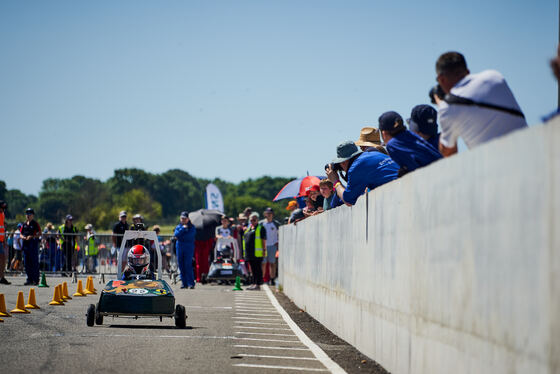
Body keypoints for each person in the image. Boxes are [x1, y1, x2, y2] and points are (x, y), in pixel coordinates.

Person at [433, 51, 528, 156]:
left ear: (441, 79)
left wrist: (442, 106)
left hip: (497, 163)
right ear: (467, 71)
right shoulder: (494, 76)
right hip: (528, 149)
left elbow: (448, 152)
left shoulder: (447, 108)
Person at [325, 140, 399, 206]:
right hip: (403, 185)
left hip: (396, 195)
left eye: (340, 163)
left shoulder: (356, 167)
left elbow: (348, 201)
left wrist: (336, 182)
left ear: (344, 162)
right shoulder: (374, 154)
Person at [378, 111, 442, 176]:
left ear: (384, 133)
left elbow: (414, 167)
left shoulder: (392, 145)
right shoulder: (410, 134)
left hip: (433, 173)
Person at [243, 212, 266, 290]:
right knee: (252, 269)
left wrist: (264, 249)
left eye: (254, 220)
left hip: (257, 252)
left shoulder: (261, 228)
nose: (252, 221)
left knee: (257, 269)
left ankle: (258, 284)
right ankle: (253, 283)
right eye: (251, 220)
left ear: (257, 220)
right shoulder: (249, 228)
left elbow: (263, 240)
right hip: (250, 252)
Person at [174, 211, 196, 289]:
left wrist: (181, 235)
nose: (183, 220)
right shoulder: (179, 227)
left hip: (188, 247)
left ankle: (191, 283)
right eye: (182, 218)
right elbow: (176, 235)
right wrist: (183, 229)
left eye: (185, 218)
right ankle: (184, 283)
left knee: (188, 265)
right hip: (180, 247)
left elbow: (189, 237)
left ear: (188, 219)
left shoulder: (192, 227)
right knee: (181, 265)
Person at [21, 208, 41, 285]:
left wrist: (32, 236)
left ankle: (36, 279)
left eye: (30, 214)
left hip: (33, 245)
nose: (28, 216)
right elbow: (21, 233)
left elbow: (40, 233)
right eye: (27, 214)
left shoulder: (35, 224)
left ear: (33, 215)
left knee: (34, 263)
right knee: (26, 263)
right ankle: (29, 279)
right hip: (26, 245)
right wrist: (22, 237)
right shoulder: (24, 224)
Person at [261, 207, 280, 285]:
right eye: (267, 213)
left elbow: (280, 233)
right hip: (264, 246)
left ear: (272, 215)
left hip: (273, 245)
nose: (269, 215)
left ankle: (272, 278)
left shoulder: (276, 224)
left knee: (272, 263)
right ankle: (263, 279)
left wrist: (278, 241)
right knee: (263, 263)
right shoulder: (262, 223)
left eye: (270, 214)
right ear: (265, 214)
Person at [0, 201, 10, 284]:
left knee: (3, 259)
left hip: (1, 241)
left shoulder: (2, 214)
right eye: (2, 208)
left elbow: (2, 229)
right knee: (2, 258)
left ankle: (2, 277)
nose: (3, 209)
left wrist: (4, 241)